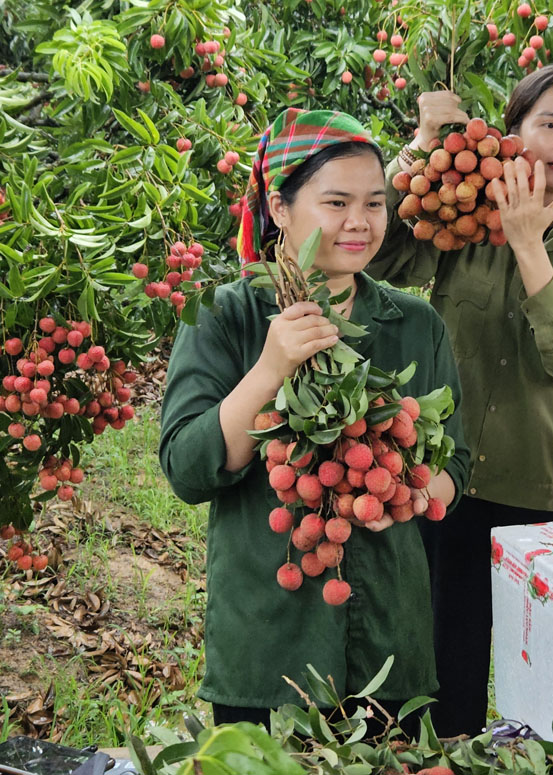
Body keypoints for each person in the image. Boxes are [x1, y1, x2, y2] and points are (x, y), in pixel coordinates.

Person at [158, 108, 470, 729]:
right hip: (267, 654)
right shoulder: (225, 316)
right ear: (279, 208)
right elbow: (188, 471)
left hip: (392, 650)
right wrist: (270, 369)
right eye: (336, 202)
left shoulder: (416, 324)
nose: (360, 222)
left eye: (375, 204)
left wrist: (403, 487)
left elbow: (453, 465)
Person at [366, 64, 553, 736]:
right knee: (441, 664)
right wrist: (422, 147)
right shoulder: (464, 215)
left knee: (540, 677)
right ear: (510, 136)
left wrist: (528, 244)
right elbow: (377, 259)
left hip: (535, 487)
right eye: (549, 124)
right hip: (443, 477)